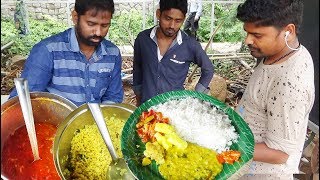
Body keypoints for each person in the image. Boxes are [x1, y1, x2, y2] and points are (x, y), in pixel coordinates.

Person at [235, 0, 315, 179]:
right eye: (247, 33)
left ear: (289, 31)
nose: (248, 40)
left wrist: (223, 146)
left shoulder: (290, 84)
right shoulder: (282, 52)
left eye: (257, 35)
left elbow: (279, 153)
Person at [9, 0, 124, 107]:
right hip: (55, 124)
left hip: (96, 126)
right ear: (75, 17)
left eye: (104, 25)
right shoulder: (48, 51)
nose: (98, 32)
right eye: (91, 24)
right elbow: (22, 102)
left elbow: (113, 97)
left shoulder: (112, 54)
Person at [133, 0, 214, 106]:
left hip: (174, 110)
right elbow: (137, 69)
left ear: (184, 19)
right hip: (147, 107)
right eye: (168, 18)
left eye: (178, 21)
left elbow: (208, 69)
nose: (172, 25)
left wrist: (197, 96)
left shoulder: (189, 44)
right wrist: (139, 97)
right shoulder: (143, 39)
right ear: (158, 14)